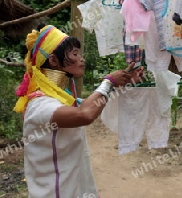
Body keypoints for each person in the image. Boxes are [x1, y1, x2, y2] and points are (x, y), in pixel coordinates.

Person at [13, 23, 144, 198]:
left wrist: (122, 83)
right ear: (53, 60)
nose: (81, 59)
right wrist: (108, 82)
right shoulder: (39, 104)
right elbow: (84, 114)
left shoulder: (63, 99)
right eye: (74, 54)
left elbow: (92, 105)